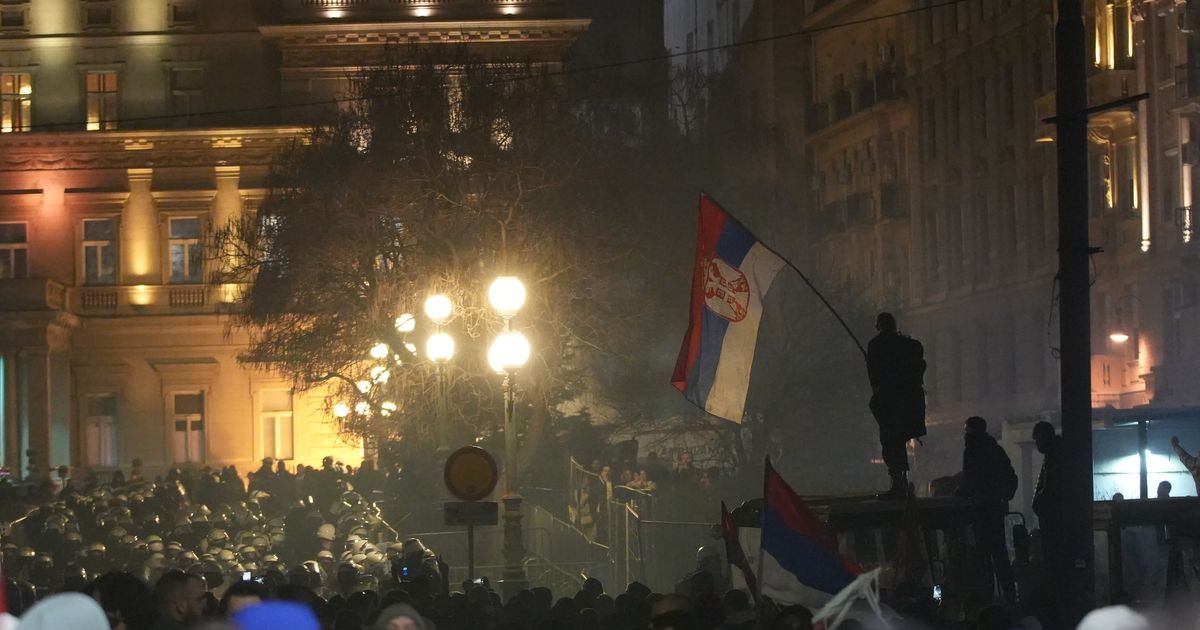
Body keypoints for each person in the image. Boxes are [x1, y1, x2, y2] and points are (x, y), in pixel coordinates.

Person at [956, 416, 1017, 605]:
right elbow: (1010, 477)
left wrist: (962, 492)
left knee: (983, 557)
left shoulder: (973, 452)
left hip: (981, 511)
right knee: (999, 554)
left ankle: (987, 598)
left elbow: (971, 480)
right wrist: (1003, 498)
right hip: (993, 510)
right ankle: (1009, 596)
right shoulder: (994, 450)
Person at [866, 312, 926, 500]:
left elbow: (873, 376)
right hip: (908, 405)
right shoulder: (910, 346)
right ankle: (902, 483)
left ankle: (899, 484)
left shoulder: (876, 346)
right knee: (897, 443)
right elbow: (919, 368)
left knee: (891, 444)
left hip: (890, 404)